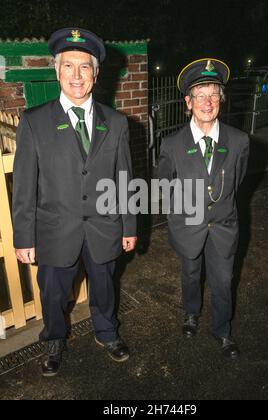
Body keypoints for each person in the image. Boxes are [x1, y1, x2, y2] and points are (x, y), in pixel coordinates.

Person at [13, 28, 137, 377]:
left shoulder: (116, 123)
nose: (77, 76)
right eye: (69, 66)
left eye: (85, 67)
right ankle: (53, 340)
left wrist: (128, 226)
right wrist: (24, 237)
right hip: (54, 230)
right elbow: (24, 186)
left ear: (96, 74)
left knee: (104, 287)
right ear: (57, 71)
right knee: (52, 295)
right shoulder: (34, 122)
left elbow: (125, 179)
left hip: (103, 228)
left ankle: (107, 333)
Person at [158, 58, 250, 359]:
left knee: (224, 280)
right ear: (188, 102)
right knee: (190, 273)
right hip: (188, 227)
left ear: (220, 100)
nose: (207, 102)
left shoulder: (238, 141)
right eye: (200, 95)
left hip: (223, 227)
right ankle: (191, 312)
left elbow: (236, 182)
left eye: (213, 94)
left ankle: (222, 331)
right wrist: (179, 218)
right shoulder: (172, 144)